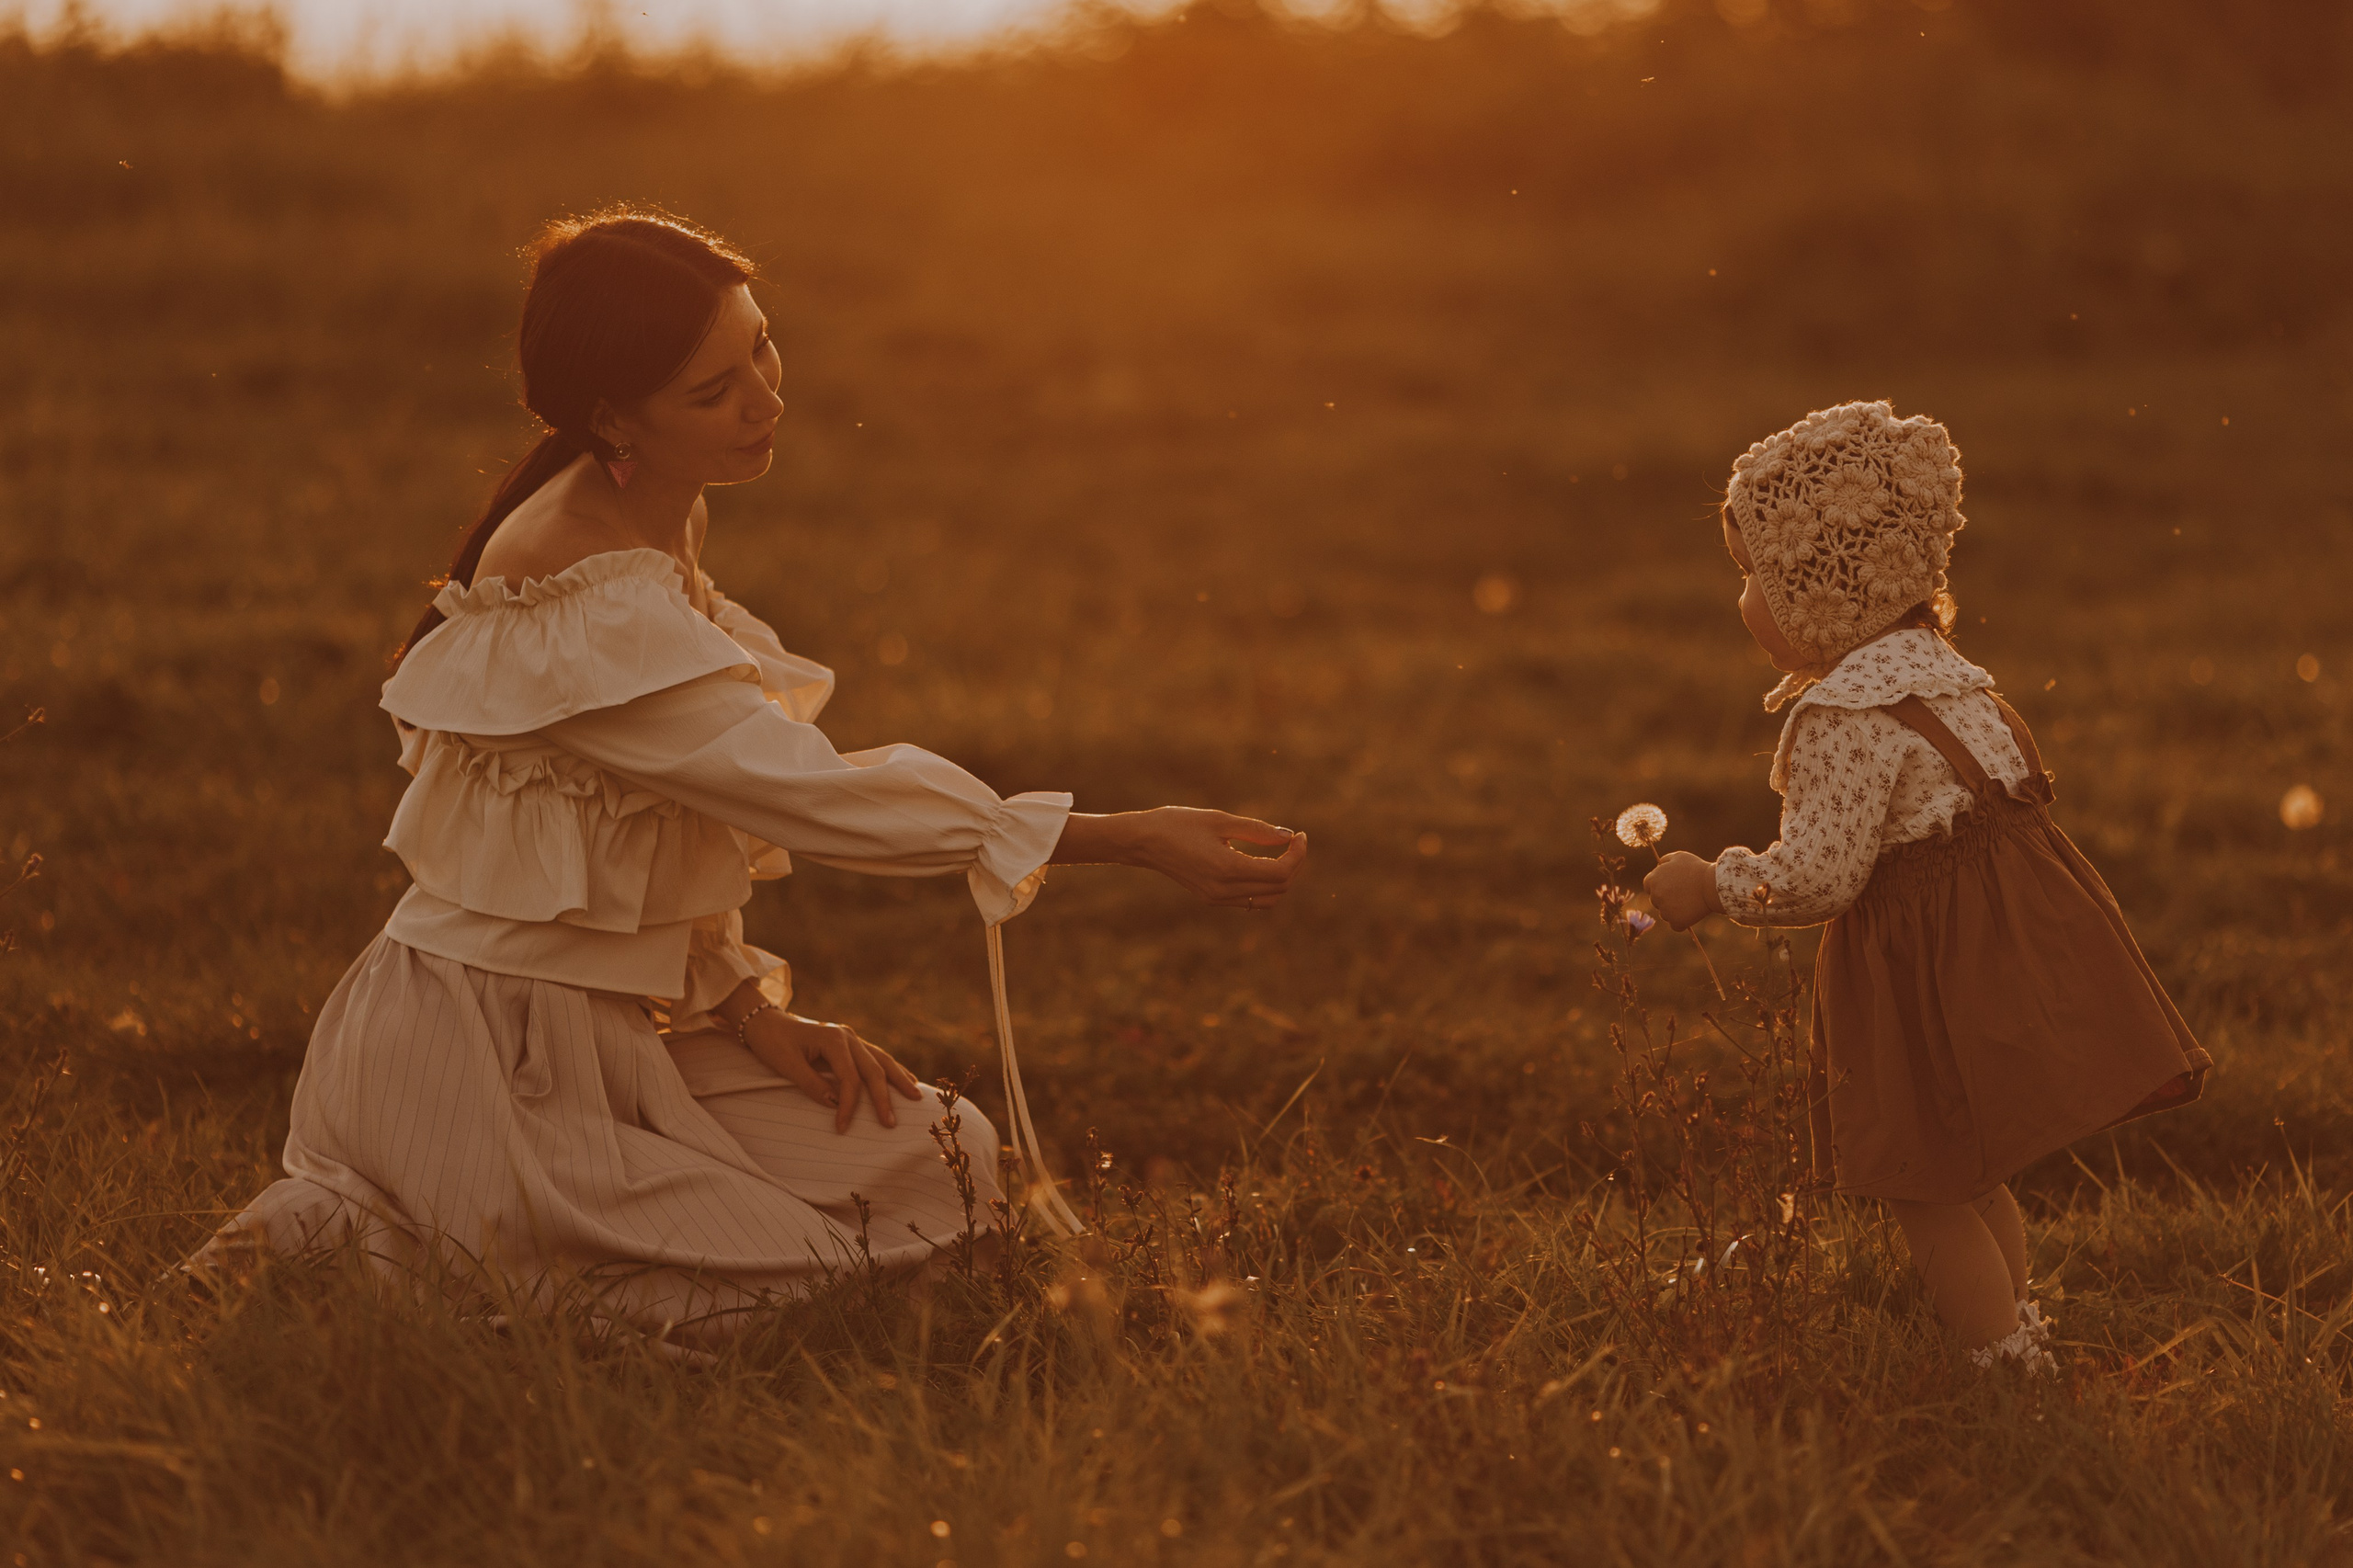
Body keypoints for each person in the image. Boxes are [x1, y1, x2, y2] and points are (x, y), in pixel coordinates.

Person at [200, 208, 1308, 1340]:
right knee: (780, 1292)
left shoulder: (653, 515)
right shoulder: (573, 568)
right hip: (487, 1052)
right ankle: (340, 1237)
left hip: (627, 1038)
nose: (764, 399)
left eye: (762, 348)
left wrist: (740, 1007)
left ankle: (445, 1242)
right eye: (713, 390)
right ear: (610, 415)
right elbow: (800, 790)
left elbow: (647, 821)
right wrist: (1124, 835)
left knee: (954, 1166)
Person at [1643, 400, 2207, 1371]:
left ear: (1828, 590)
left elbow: (1822, 872)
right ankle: (2017, 1325)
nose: (1743, 606)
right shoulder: (1950, 676)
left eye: (1754, 581)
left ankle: (1998, 1365)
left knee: (1925, 1186)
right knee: (1972, 1170)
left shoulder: (1842, 715)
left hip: (1920, 980)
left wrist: (1713, 882)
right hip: (1995, 955)